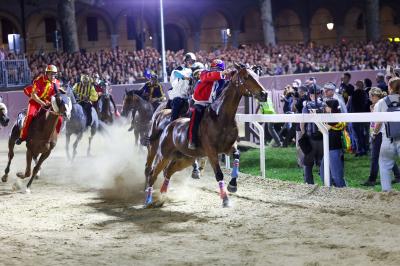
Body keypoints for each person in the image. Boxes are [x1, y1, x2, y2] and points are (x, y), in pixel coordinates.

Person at [188, 59, 231, 149]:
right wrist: (221, 73)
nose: (215, 71)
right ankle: (192, 140)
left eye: (218, 69)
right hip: (200, 102)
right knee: (195, 118)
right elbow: (208, 77)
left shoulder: (222, 80)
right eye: (213, 69)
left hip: (213, 104)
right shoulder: (204, 73)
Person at [362, 87, 400, 186]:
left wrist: (374, 133)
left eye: (371, 96)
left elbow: (377, 122)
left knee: (375, 157)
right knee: (385, 156)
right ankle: (398, 175)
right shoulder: (379, 104)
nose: (370, 98)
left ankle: (372, 179)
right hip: (382, 133)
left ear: (375, 96)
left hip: (379, 133)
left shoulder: (380, 104)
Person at [16, 64, 63, 145]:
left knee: (60, 119)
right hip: (35, 102)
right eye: (51, 74)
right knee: (29, 117)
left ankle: (55, 137)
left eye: (54, 74)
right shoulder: (39, 80)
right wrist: (42, 103)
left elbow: (57, 95)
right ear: (47, 73)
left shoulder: (57, 83)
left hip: (47, 102)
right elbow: (33, 96)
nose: (53, 76)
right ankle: (22, 137)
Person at [373, 77, 400, 191]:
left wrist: (374, 133)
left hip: (387, 139)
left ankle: (387, 194)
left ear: (389, 87)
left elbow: (378, 122)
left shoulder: (381, 102)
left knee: (384, 166)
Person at [320, 98, 346, 187]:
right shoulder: (335, 116)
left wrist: (316, 118)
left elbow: (323, 129)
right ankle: (330, 192)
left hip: (334, 149)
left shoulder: (334, 118)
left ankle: (344, 193)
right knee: (324, 172)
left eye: (326, 106)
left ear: (331, 107)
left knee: (337, 176)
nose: (324, 108)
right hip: (330, 148)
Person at [300, 84, 324, 184]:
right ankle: (326, 183)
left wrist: (303, 133)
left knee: (308, 163)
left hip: (310, 138)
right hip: (323, 138)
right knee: (323, 163)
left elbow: (302, 123)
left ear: (310, 95)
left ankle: (308, 183)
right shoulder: (324, 105)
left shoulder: (307, 106)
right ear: (320, 94)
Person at [168, 52, 196, 121]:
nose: (191, 63)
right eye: (190, 61)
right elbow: (176, 73)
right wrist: (186, 78)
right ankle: (171, 124)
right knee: (177, 103)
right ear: (185, 61)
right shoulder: (179, 68)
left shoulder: (192, 71)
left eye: (193, 62)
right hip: (178, 96)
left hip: (188, 97)